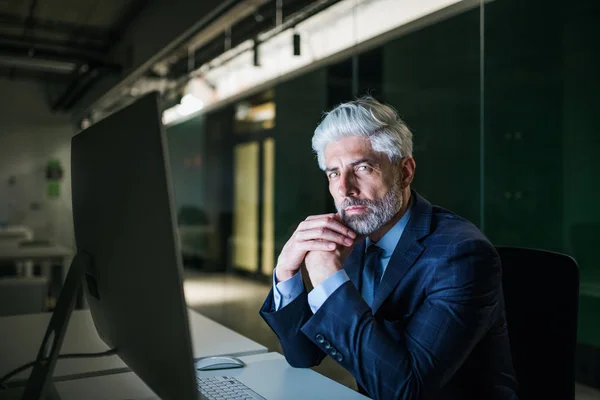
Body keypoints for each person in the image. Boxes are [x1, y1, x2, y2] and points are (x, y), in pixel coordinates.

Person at [259, 97, 518, 399]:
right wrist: (286, 271)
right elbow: (303, 355)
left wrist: (326, 276)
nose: (344, 188)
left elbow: (406, 390)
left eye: (363, 167)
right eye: (333, 173)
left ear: (405, 172)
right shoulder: (355, 240)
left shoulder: (462, 255)